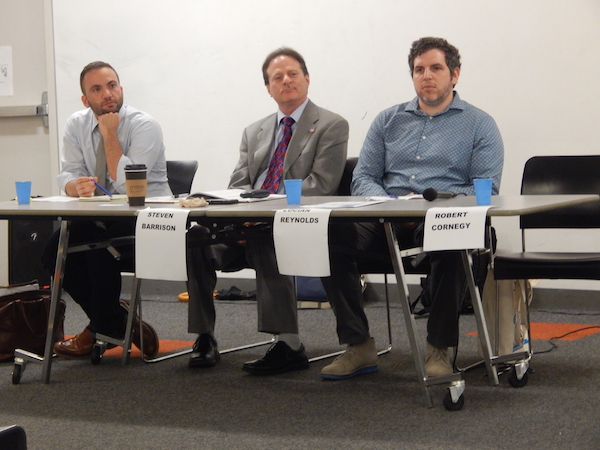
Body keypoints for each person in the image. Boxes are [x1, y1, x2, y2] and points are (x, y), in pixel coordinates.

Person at [319, 37, 504, 380]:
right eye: (419, 70)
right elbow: (363, 178)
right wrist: (391, 205)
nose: (427, 76)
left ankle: (439, 348)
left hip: (441, 218)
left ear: (455, 74)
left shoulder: (479, 124)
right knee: (328, 233)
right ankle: (358, 344)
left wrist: (429, 204)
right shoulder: (388, 121)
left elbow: (485, 189)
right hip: (387, 218)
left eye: (436, 68)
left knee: (452, 237)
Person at [186, 47, 349, 374]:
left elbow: (321, 185)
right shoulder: (254, 130)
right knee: (196, 237)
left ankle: (289, 344)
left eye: (292, 74)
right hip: (243, 221)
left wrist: (263, 208)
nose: (286, 81)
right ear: (268, 88)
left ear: (307, 79)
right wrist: (241, 209)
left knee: (266, 235)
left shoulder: (332, 125)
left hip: (292, 225)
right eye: (277, 77)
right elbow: (237, 183)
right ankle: (204, 336)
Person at [43, 61, 171, 358]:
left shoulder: (144, 125)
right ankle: (116, 319)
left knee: (99, 248)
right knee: (53, 252)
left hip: (147, 218)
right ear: (86, 100)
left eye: (112, 85)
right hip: (100, 215)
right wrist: (72, 186)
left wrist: (109, 132)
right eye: (97, 90)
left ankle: (101, 327)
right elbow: (68, 172)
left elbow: (129, 184)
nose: (107, 94)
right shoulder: (76, 124)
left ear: (121, 89)